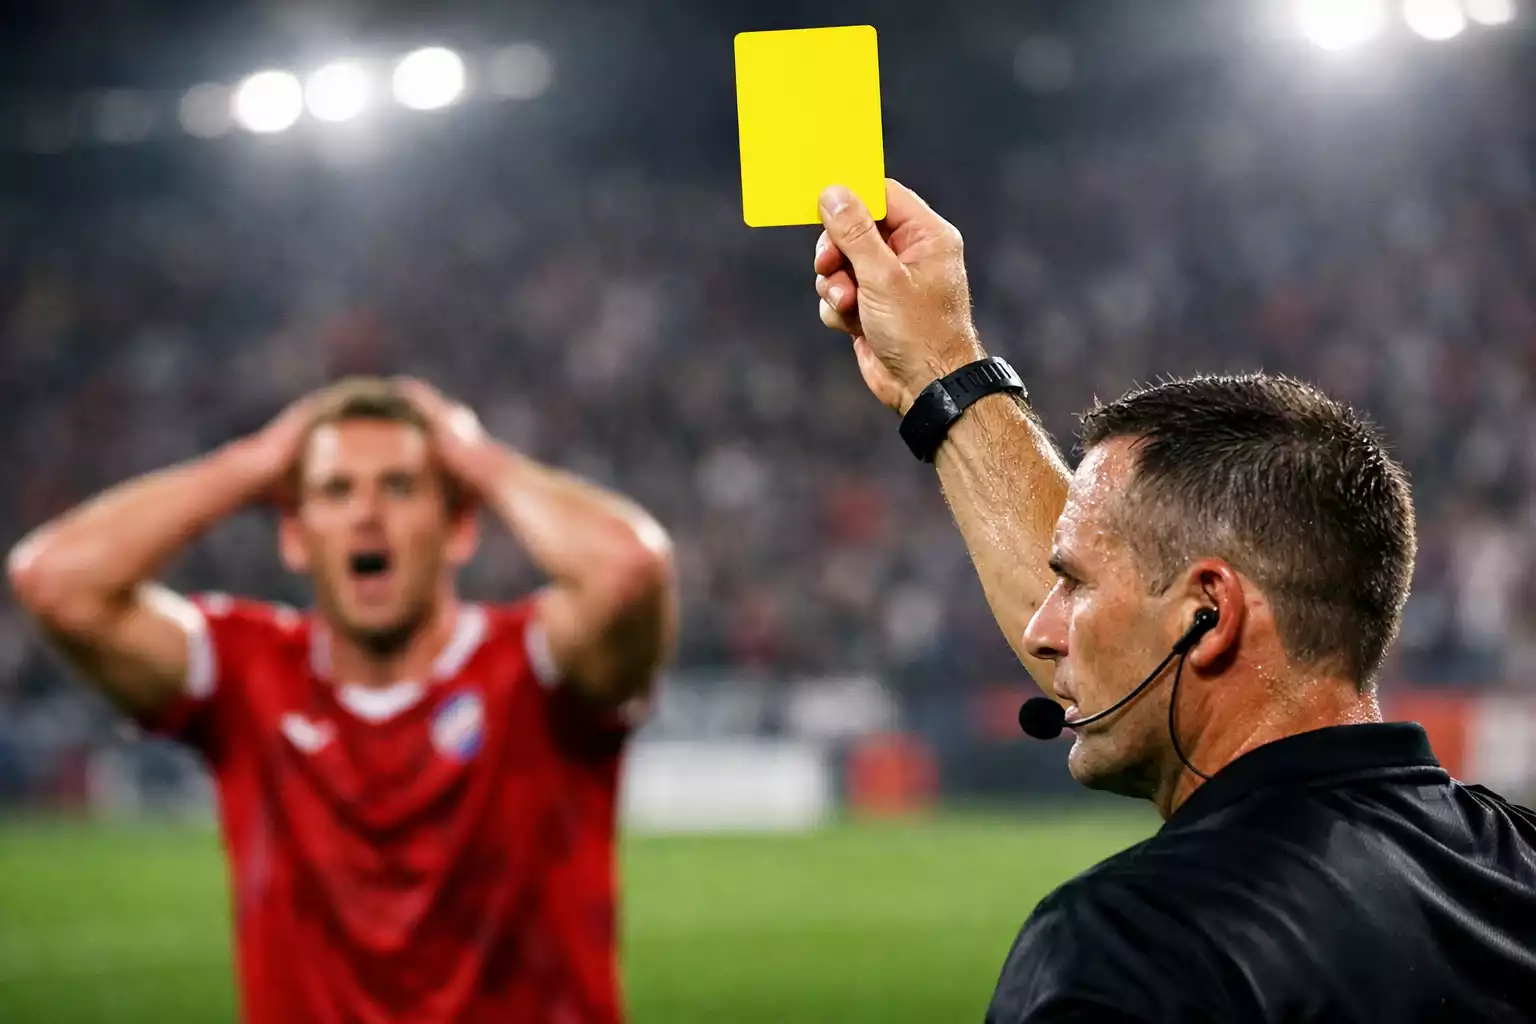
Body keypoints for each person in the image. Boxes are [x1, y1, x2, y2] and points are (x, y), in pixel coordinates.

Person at [811, 179, 1536, 1022]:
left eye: (1073, 586)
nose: (1043, 631)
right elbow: (1138, 596)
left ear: (1211, 614)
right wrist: (939, 371)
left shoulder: (1130, 947)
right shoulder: (1514, 871)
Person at [7, 376, 676, 1023]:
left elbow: (628, 571)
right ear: (295, 535)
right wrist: (251, 464)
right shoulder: (248, 674)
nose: (366, 514)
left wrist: (477, 459)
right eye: (335, 490)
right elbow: (54, 581)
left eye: (400, 486)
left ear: (459, 527)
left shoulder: (533, 670)